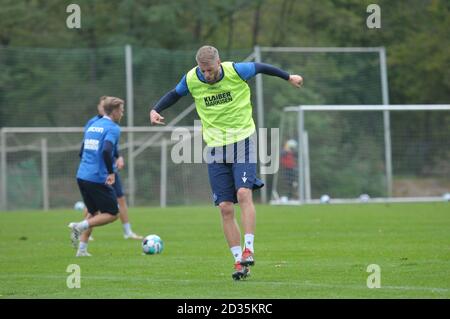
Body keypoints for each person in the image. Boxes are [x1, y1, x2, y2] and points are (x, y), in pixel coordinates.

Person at [149, 46, 303, 280]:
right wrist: (155, 109)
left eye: (210, 70)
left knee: (243, 193)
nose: (207, 75)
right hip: (215, 148)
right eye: (204, 70)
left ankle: (249, 248)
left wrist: (288, 77)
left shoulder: (236, 71)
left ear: (218, 62)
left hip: (243, 141)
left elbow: (261, 67)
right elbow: (175, 93)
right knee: (225, 207)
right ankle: (239, 262)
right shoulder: (192, 78)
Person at [69, 96, 125, 257]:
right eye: (121, 110)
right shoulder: (113, 128)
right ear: (114, 111)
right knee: (113, 213)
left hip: (82, 175)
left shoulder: (93, 125)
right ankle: (79, 226)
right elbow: (107, 150)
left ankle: (82, 250)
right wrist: (111, 172)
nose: (122, 113)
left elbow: (81, 151)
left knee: (93, 212)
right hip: (96, 177)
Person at [82, 96, 143, 241]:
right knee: (95, 208)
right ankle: (83, 229)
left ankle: (127, 231)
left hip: (109, 169)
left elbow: (111, 147)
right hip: (100, 171)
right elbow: (98, 148)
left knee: (120, 198)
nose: (122, 113)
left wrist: (118, 157)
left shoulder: (112, 126)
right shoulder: (94, 123)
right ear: (101, 107)